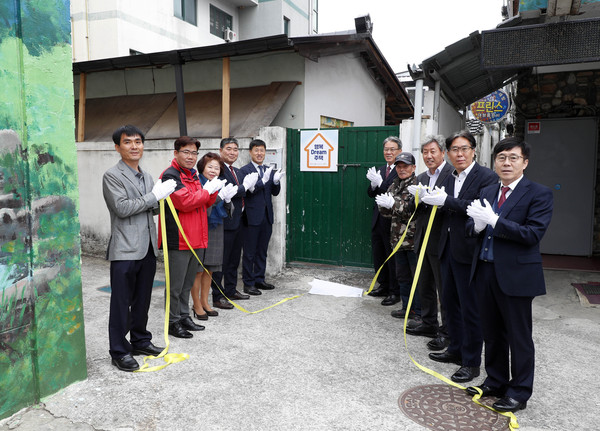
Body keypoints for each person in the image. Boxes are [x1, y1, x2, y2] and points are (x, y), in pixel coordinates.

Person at [465, 138, 553, 413]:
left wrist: (496, 222)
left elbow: (532, 234)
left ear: (524, 162)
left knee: (519, 337)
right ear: (494, 162)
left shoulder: (539, 193)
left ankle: (519, 391)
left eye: (513, 158)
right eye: (501, 157)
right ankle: (496, 380)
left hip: (515, 275)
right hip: (484, 270)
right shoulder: (489, 190)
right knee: (491, 332)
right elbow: (471, 225)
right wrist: (478, 226)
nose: (506, 162)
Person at [421, 130, 498, 383]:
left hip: (470, 252)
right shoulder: (450, 176)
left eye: (464, 148)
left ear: (473, 150)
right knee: (450, 304)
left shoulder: (486, 177)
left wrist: (447, 201)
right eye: (454, 149)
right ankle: (455, 349)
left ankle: (471, 362)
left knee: (470, 309)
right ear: (449, 153)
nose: (459, 154)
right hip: (447, 249)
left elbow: (479, 209)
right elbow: (445, 207)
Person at [102, 125, 176, 372]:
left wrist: (163, 197)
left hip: (147, 248)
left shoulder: (146, 176)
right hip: (125, 248)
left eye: (138, 142)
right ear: (117, 147)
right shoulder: (112, 176)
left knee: (142, 299)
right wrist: (153, 198)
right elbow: (122, 208)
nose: (134, 146)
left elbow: (151, 208)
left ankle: (141, 341)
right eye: (128, 142)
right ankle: (119, 351)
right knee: (121, 302)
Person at [159, 136, 225, 338]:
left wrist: (211, 191)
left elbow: (203, 203)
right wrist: (206, 192)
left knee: (187, 284)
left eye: (194, 153)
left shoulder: (193, 174)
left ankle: (184, 316)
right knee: (175, 285)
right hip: (178, 238)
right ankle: (172, 322)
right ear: (176, 153)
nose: (190, 156)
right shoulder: (170, 175)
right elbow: (185, 202)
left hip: (195, 237)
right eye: (186, 152)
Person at [405, 136, 453, 352]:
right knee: (424, 284)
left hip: (442, 240)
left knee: (444, 290)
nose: (429, 156)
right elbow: (412, 210)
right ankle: (428, 323)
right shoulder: (422, 176)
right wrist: (416, 198)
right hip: (421, 238)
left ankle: (447, 332)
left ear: (442, 153)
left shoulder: (452, 175)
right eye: (425, 152)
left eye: (433, 151)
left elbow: (452, 206)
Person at [211, 137, 259, 309]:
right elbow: (228, 192)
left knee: (233, 260)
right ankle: (217, 296)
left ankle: (231, 290)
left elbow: (244, 193)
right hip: (223, 222)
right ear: (221, 150)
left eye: (236, 149)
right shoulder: (218, 170)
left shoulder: (238, 171)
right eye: (229, 149)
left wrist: (250, 187)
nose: (232, 152)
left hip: (238, 221)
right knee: (220, 262)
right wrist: (243, 188)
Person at [190, 153, 237, 320]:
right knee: (197, 270)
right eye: (210, 166)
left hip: (216, 229)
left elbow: (228, 209)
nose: (213, 170)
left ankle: (205, 301)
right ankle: (196, 304)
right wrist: (216, 197)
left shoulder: (218, 184)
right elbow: (201, 208)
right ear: (202, 167)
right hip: (200, 228)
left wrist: (227, 198)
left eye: (217, 168)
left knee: (210, 269)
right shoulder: (197, 183)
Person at [375, 152, 421, 318]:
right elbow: (387, 214)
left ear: (413, 167)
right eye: (399, 166)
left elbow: (412, 210)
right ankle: (406, 307)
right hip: (397, 239)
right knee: (403, 277)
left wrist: (393, 204)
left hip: (413, 240)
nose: (402, 169)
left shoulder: (417, 184)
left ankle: (418, 311)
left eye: (405, 166)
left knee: (417, 278)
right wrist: (385, 206)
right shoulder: (394, 185)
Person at [240, 139, 283, 295]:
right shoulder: (244, 170)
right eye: (256, 150)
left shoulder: (268, 170)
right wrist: (262, 181)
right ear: (250, 152)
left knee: (262, 250)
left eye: (262, 150)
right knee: (249, 251)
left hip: (266, 216)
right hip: (251, 217)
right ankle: (248, 283)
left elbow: (274, 192)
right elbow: (246, 192)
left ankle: (259, 279)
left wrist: (276, 182)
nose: (259, 153)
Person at [366, 136, 402, 305]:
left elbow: (390, 193)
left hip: (393, 221)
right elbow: (372, 194)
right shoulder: (381, 169)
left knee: (391, 256)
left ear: (399, 151)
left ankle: (395, 291)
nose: (388, 152)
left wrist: (380, 183)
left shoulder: (401, 170)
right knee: (378, 254)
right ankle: (383, 285)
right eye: (386, 149)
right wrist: (373, 185)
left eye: (392, 149)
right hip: (377, 219)